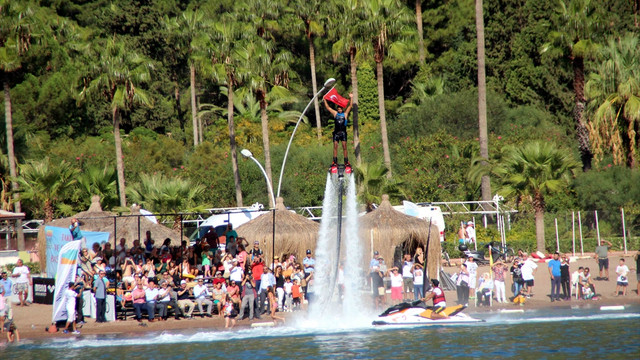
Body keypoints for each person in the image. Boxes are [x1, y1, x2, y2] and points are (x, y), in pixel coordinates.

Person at [324, 92, 353, 167]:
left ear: (342, 109)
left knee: (344, 146)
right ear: (337, 109)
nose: (339, 110)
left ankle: (346, 161)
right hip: (336, 133)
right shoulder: (335, 113)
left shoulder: (345, 114)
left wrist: (351, 97)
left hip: (343, 133)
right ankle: (335, 161)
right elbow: (328, 108)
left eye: (340, 109)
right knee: (335, 146)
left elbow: (350, 106)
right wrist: (324, 100)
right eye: (338, 109)